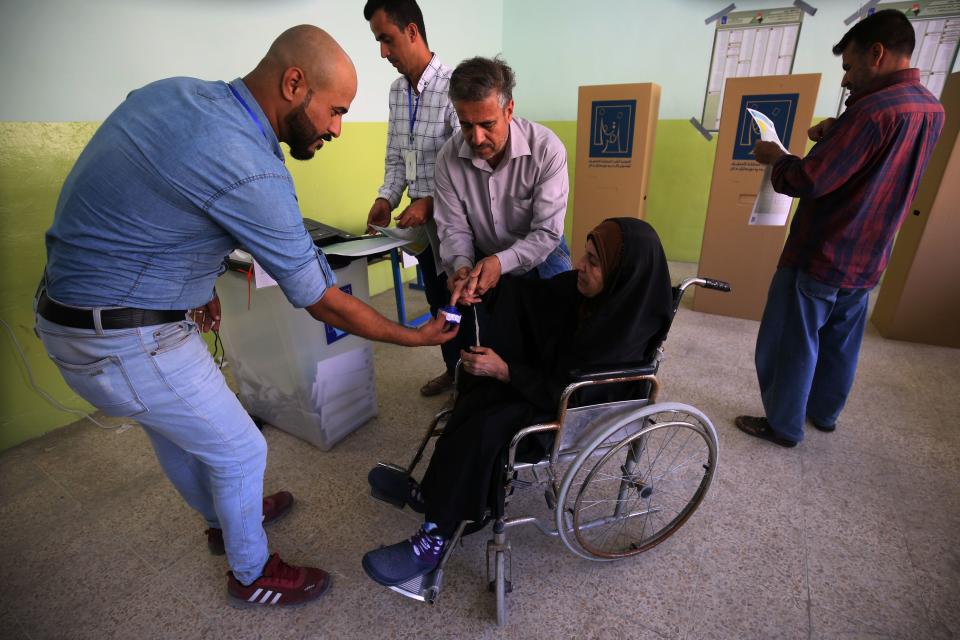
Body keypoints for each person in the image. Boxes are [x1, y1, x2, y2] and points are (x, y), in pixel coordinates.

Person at [34, 25, 457, 608]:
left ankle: (224, 517)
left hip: (74, 315)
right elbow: (322, 298)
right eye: (335, 112)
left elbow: (155, 206)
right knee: (241, 449)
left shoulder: (173, 95)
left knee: (179, 430)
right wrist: (413, 336)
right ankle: (251, 571)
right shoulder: (252, 169)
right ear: (293, 83)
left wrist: (190, 284)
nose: (337, 128)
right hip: (122, 338)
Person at [361, 218, 674, 588]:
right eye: (584, 255)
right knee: (477, 389)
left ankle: (434, 539)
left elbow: (580, 391)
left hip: (570, 412)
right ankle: (434, 493)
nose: (580, 266)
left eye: (593, 262)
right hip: (545, 386)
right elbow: (533, 300)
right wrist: (484, 289)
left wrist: (508, 371)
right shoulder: (588, 293)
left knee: (487, 426)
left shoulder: (625, 329)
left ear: (622, 273)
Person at [735, 9, 944, 448]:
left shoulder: (871, 112)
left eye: (849, 67)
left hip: (823, 251)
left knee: (792, 340)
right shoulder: (930, 108)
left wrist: (777, 158)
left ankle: (784, 426)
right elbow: (881, 163)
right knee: (842, 343)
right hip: (871, 253)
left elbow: (810, 180)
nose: (845, 80)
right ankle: (824, 414)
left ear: (878, 53)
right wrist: (834, 133)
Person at [433, 55, 573, 354]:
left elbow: (547, 233)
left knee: (555, 333)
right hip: (484, 254)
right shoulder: (448, 158)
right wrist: (460, 266)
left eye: (487, 124)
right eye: (466, 125)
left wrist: (502, 262)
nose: (476, 137)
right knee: (491, 337)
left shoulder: (547, 149)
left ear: (509, 110)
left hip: (543, 252)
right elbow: (453, 228)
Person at [363, 0, 462, 398]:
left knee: (463, 302)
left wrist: (431, 202)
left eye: (386, 40)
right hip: (421, 229)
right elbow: (396, 155)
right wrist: (387, 197)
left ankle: (475, 385)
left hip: (455, 224)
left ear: (412, 32)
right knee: (438, 298)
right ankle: (454, 371)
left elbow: (467, 165)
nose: (382, 52)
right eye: (378, 42)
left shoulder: (456, 86)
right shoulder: (396, 91)